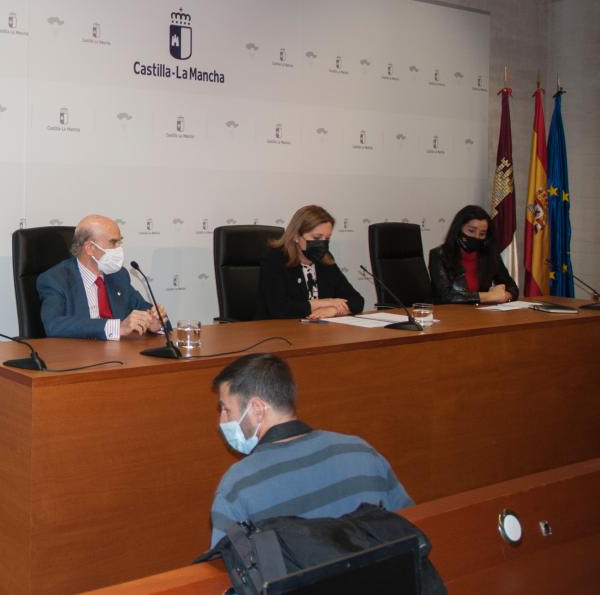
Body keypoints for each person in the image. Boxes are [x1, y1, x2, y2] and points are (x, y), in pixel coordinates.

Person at [209, 353, 412, 546]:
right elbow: (410, 525)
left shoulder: (238, 485)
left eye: (226, 409)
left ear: (257, 409)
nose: (222, 421)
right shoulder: (361, 451)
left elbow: (225, 574)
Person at [36, 214, 169, 339]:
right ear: (90, 248)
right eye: (113, 242)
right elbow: (53, 325)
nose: (119, 249)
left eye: (119, 242)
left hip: (120, 357)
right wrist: (117, 327)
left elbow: (145, 309)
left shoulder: (119, 275)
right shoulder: (55, 279)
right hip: (78, 357)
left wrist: (155, 323)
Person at [257, 205, 364, 320]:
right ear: (296, 236)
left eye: (327, 238)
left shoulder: (325, 260)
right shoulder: (275, 259)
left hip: (318, 330)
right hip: (279, 330)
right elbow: (280, 309)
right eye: (317, 237)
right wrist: (325, 303)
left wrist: (333, 309)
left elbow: (357, 300)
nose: (322, 243)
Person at [429, 205, 518, 305]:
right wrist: (488, 296)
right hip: (451, 316)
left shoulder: (490, 255)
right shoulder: (440, 255)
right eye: (471, 231)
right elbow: (446, 296)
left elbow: (512, 288)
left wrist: (505, 295)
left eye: (482, 233)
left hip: (480, 315)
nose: (476, 237)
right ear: (458, 229)